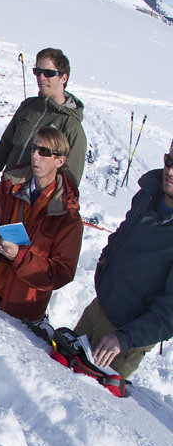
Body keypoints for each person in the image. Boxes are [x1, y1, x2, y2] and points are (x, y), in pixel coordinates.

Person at [70, 140, 173, 378]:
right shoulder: (147, 195)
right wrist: (105, 261)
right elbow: (122, 234)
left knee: (79, 404)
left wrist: (124, 338)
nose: (170, 171)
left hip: (120, 341)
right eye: (169, 161)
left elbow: (169, 314)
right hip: (96, 311)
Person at [0, 127, 82, 322]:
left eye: (44, 152)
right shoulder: (10, 184)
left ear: (60, 161)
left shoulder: (67, 216)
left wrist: (20, 257)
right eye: (34, 148)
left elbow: (62, 272)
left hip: (20, 311)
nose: (35, 156)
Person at [0, 47, 87, 192]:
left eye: (48, 73)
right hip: (7, 192)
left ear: (63, 78)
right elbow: (6, 145)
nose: (41, 78)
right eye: (38, 72)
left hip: (34, 204)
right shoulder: (29, 107)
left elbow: (69, 182)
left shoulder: (72, 127)